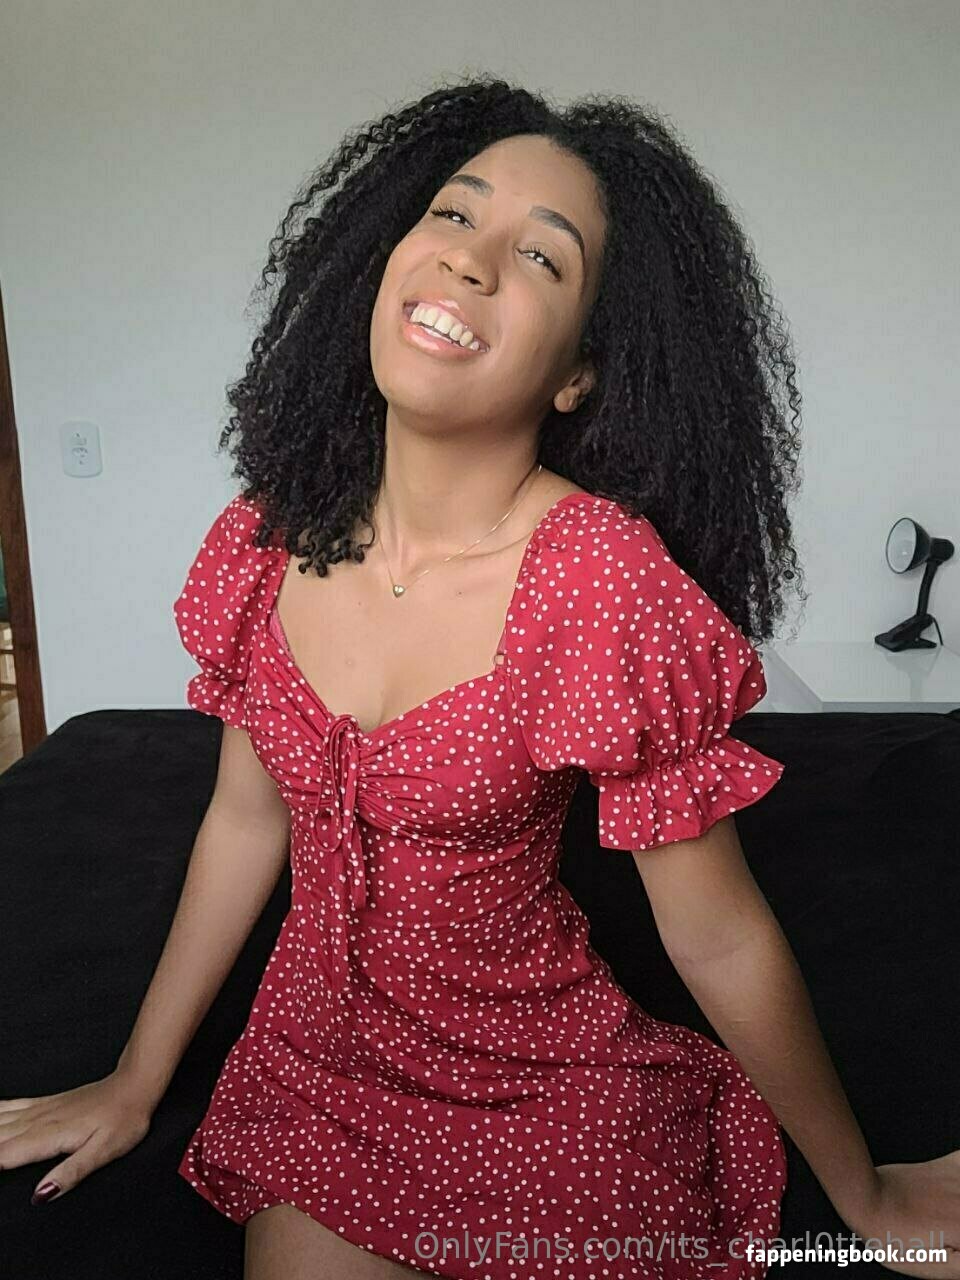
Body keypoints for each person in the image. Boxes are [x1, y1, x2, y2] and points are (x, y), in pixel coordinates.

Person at [2, 76, 958, 1280]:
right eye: (454, 214)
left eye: (541, 258)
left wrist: (865, 1194)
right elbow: (246, 820)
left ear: (578, 375)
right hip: (322, 1071)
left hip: (536, 1068)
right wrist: (135, 1081)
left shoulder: (599, 577)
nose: (469, 258)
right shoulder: (270, 536)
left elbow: (718, 932)